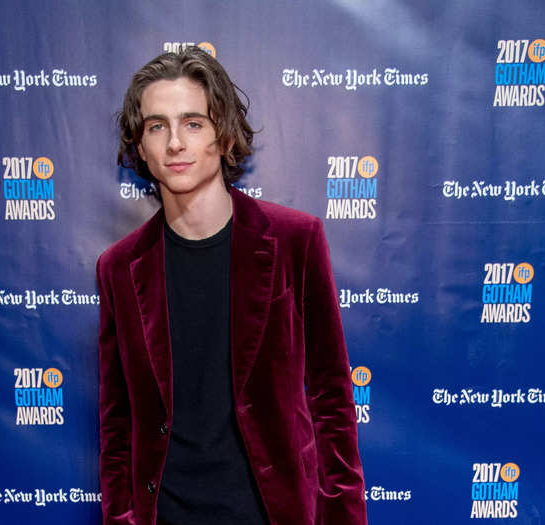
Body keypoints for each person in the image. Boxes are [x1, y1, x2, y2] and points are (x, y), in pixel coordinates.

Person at [96, 46, 367, 525]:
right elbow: (117, 423)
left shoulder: (295, 241)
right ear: (140, 146)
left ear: (222, 136)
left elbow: (332, 399)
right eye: (157, 126)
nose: (175, 142)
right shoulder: (119, 268)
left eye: (193, 122)